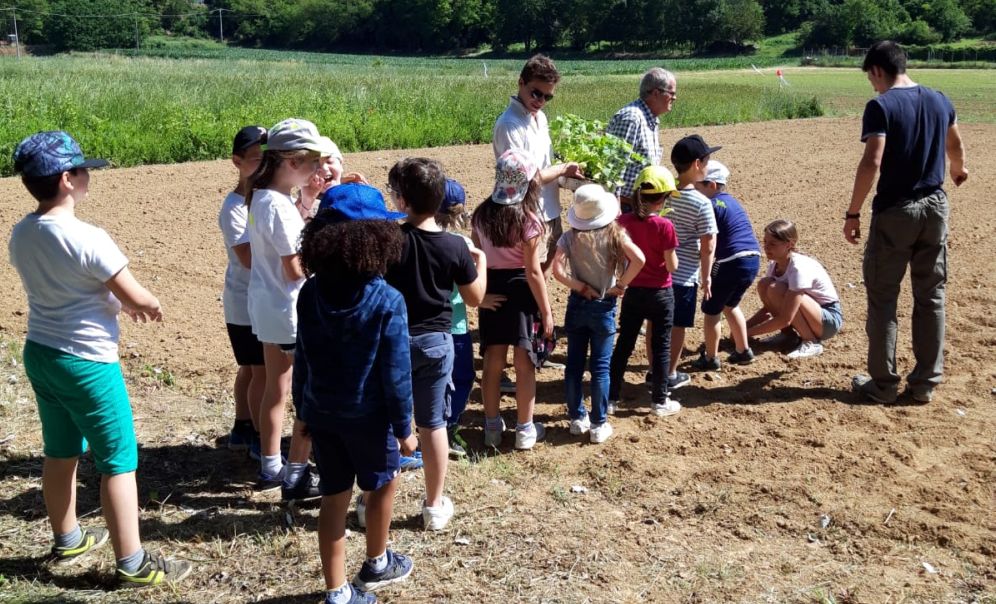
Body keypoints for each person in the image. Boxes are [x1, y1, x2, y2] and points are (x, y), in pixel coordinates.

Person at [8, 131, 192, 586]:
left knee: (60, 451)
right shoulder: (89, 237)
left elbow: (70, 286)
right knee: (118, 462)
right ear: (67, 179)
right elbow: (134, 294)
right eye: (84, 170)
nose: (90, 177)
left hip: (42, 353)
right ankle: (133, 563)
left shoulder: (22, 231)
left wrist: (115, 301)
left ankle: (67, 537)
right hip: (88, 363)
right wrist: (148, 304)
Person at [294, 189, 416, 604]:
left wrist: (303, 412)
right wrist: (405, 429)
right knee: (382, 486)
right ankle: (377, 562)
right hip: (370, 419)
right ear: (378, 239)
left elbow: (303, 359)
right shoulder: (388, 301)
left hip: (323, 414)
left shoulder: (310, 293)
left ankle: (337, 593)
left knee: (333, 496)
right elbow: (396, 374)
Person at [844, 40, 968, 404]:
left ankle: (882, 384)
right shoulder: (940, 99)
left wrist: (853, 213)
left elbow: (872, 161)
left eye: (872, 78)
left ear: (878, 70)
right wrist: (958, 170)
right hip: (935, 207)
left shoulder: (881, 105)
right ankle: (925, 383)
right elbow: (955, 145)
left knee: (883, 298)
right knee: (931, 296)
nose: (873, 85)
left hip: (897, 209)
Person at [385, 160, 486, 531]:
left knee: (384, 420)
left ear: (400, 200)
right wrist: (483, 263)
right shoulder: (454, 246)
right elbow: (474, 298)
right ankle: (433, 504)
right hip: (435, 341)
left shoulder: (390, 240)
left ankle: (371, 499)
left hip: (392, 340)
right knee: (433, 424)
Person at [246, 118, 333, 501]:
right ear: (292, 161)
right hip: (288, 309)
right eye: (314, 161)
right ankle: (294, 467)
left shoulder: (261, 196)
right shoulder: (278, 207)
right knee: (302, 391)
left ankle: (270, 463)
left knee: (275, 388)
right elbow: (294, 267)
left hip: (266, 304)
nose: (319, 170)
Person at [472, 149, 554, 450]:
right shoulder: (529, 220)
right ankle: (525, 429)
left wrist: (481, 295)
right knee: (524, 364)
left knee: (493, 362)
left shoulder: (481, 214)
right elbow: (533, 271)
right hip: (522, 291)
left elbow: (478, 257)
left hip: (492, 288)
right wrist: (546, 312)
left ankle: (491, 427)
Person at [552, 184, 645, 443]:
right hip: (604, 304)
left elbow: (557, 271)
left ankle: (576, 418)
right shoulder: (615, 234)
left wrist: (579, 286)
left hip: (578, 303)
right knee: (600, 367)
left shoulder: (570, 237)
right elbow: (639, 259)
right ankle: (598, 423)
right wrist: (621, 285)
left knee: (574, 364)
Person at [492, 53, 583, 274]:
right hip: (526, 217)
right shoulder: (509, 125)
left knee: (541, 275)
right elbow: (524, 180)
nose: (540, 101)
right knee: (526, 278)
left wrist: (569, 177)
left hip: (550, 211)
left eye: (547, 97)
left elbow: (544, 164)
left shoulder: (539, 118)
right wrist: (562, 169)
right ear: (520, 82)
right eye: (536, 93)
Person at [608, 167, 681, 417]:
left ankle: (611, 397)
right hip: (661, 292)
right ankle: (659, 401)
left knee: (624, 344)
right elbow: (672, 265)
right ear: (662, 199)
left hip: (633, 291)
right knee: (661, 346)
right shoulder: (665, 226)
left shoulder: (623, 222)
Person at [219, 126, 267, 459]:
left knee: (251, 369)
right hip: (246, 302)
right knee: (259, 371)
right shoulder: (235, 208)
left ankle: (242, 426)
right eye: (255, 159)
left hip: (254, 300)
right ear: (237, 161)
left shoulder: (268, 198)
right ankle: (259, 436)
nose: (264, 164)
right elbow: (249, 258)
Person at [689, 161, 761, 370]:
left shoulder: (709, 206)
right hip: (751, 259)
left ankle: (710, 358)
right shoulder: (732, 202)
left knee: (712, 311)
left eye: (697, 186)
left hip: (730, 261)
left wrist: (705, 274)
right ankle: (743, 350)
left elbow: (706, 241)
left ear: (711, 185)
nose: (694, 189)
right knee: (731, 305)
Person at [666, 135, 719, 389]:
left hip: (659, 274)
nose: (709, 166)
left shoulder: (664, 193)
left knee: (656, 324)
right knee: (677, 327)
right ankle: (670, 373)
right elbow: (708, 246)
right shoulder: (701, 203)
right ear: (697, 164)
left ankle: (656, 369)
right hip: (684, 276)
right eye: (707, 160)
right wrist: (706, 276)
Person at [746, 220, 843, 359]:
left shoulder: (798, 267)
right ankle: (788, 336)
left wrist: (746, 334)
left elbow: (786, 318)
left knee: (776, 289)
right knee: (764, 284)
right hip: (810, 315)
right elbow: (768, 309)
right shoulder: (774, 265)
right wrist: (743, 328)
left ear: (789, 244)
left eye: (772, 244)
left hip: (827, 320)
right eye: (765, 242)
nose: (766, 247)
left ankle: (811, 341)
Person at [436, 178, 475, 459]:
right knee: (461, 377)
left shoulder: (412, 237)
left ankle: (431, 427)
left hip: (421, 324)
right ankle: (448, 428)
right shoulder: (462, 243)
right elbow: (470, 291)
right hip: (455, 324)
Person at [607, 67, 677, 212]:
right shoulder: (631, 118)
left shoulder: (651, 118)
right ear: (656, 93)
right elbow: (614, 166)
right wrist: (614, 208)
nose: (674, 98)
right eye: (672, 93)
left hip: (638, 207)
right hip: (623, 207)